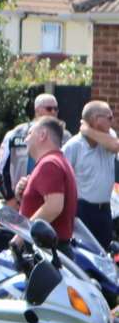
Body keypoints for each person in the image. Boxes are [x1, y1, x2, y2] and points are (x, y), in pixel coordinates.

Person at [63, 100, 118, 246]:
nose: (112, 122)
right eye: (109, 117)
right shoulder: (74, 145)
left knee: (105, 252)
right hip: (83, 210)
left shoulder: (109, 136)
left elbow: (115, 146)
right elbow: (61, 175)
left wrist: (88, 130)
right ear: (95, 119)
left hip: (105, 209)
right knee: (84, 252)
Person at [18, 116, 77, 245]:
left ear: (42, 135)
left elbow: (53, 207)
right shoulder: (57, 161)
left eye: (29, 133)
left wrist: (21, 237)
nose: (25, 139)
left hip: (45, 250)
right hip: (52, 248)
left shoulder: (49, 164)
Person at [0, 93, 63, 203]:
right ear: (37, 110)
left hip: (48, 199)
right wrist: (10, 198)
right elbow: (0, 167)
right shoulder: (15, 134)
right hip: (19, 199)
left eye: (56, 109)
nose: (53, 112)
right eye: (49, 109)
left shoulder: (63, 136)